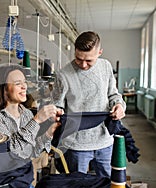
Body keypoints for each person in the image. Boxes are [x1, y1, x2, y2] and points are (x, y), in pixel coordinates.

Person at [51, 31, 126, 177]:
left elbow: (113, 95)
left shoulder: (106, 67)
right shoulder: (63, 74)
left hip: (104, 140)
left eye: (89, 61)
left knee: (107, 185)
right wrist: (56, 113)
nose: (83, 65)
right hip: (75, 144)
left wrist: (119, 105)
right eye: (79, 59)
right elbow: (57, 104)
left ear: (99, 52)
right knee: (77, 187)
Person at [0, 64, 62, 188]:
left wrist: (49, 133)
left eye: (24, 82)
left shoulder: (26, 114)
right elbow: (11, 150)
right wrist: (36, 120)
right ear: (4, 89)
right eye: (18, 83)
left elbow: (31, 152)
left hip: (19, 176)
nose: (24, 87)